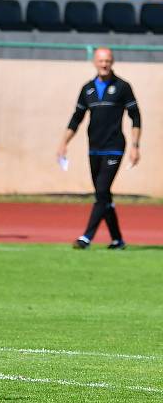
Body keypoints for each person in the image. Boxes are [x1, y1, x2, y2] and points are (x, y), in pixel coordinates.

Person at [58, 47, 141, 250]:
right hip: (94, 148)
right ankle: (117, 240)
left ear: (112, 62)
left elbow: (136, 117)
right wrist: (63, 143)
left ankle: (86, 237)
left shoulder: (123, 87)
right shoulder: (87, 89)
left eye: (108, 61)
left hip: (114, 147)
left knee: (102, 190)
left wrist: (135, 146)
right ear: (94, 62)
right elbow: (76, 118)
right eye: (101, 61)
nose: (104, 65)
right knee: (103, 196)